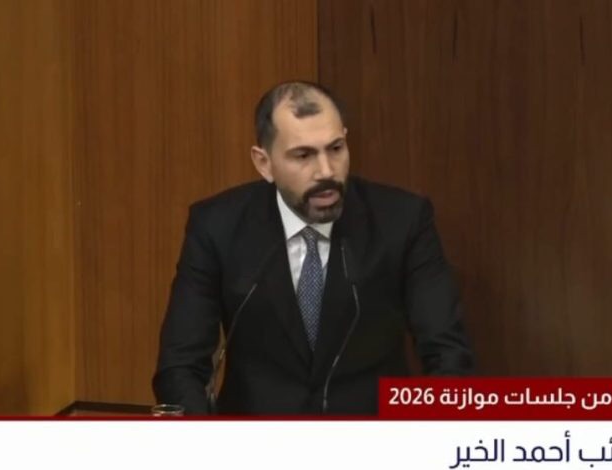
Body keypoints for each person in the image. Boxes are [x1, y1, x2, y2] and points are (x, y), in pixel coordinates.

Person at [153, 81, 472, 414]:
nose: (326, 171)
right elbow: (180, 366)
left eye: (335, 148)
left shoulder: (402, 221)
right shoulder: (218, 226)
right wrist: (201, 441)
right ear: (264, 163)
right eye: (303, 155)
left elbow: (448, 355)